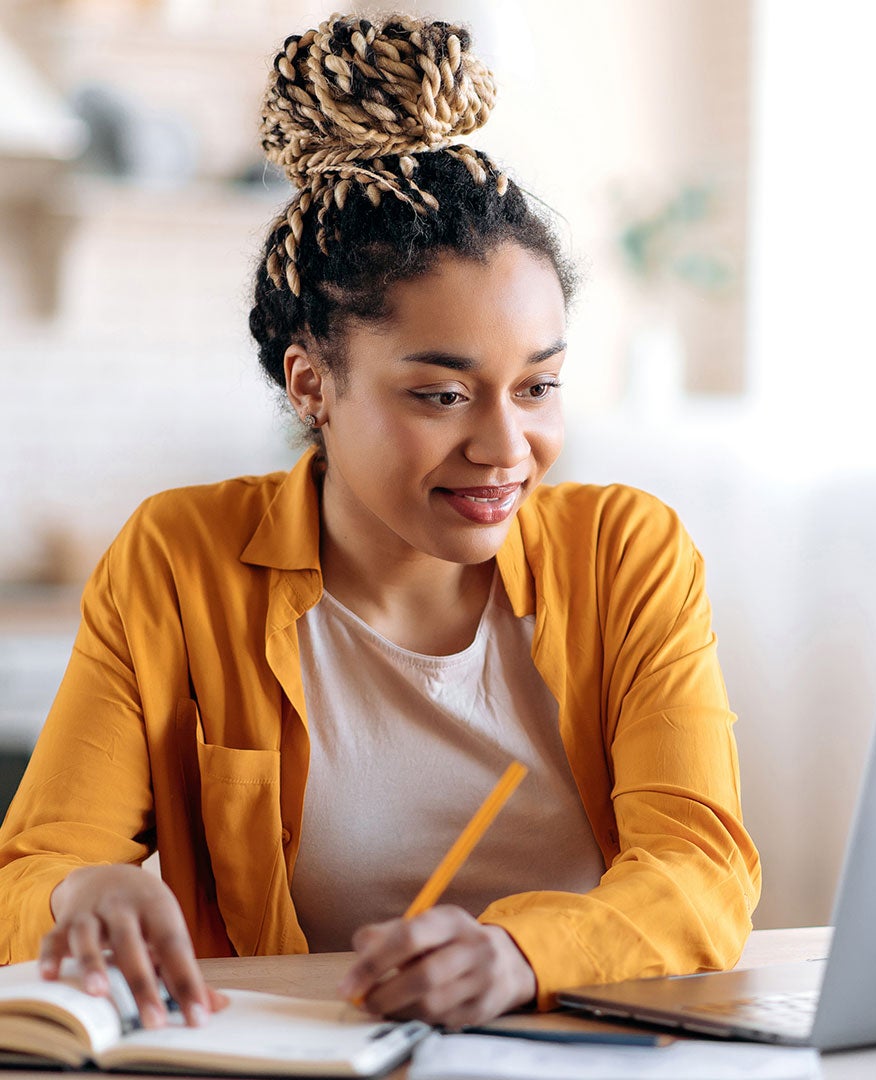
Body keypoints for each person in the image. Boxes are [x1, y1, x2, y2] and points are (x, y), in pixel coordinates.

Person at [0, 13, 760, 1030]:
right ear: (312, 383)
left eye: (537, 389)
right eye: (442, 396)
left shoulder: (627, 553)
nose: (504, 447)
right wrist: (78, 893)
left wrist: (516, 955)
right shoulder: (178, 560)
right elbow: (33, 869)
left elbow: (702, 869)